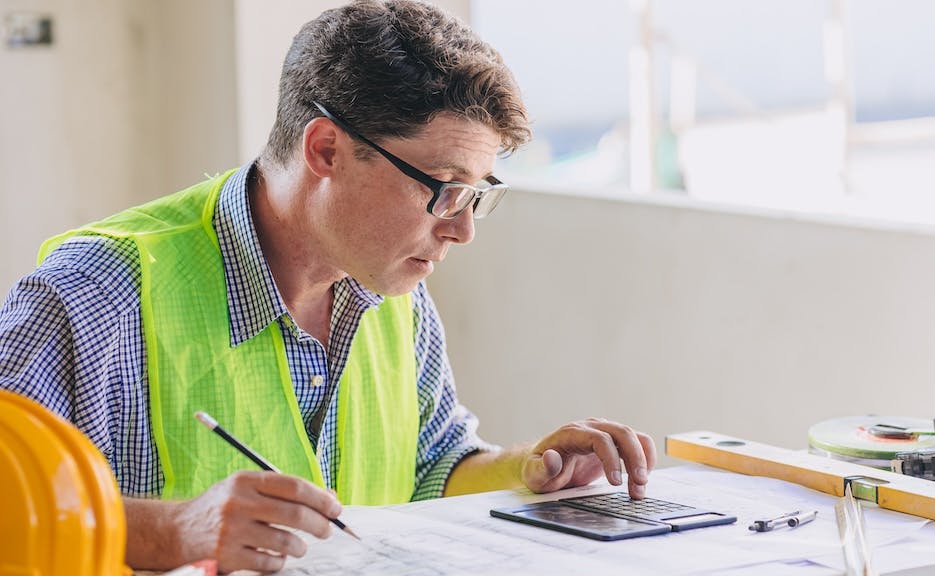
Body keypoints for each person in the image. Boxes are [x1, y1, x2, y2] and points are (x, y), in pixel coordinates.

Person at [0, 0, 656, 572]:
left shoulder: (393, 291)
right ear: (326, 151)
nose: (462, 231)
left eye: (477, 196)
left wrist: (529, 468)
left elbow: (430, 469)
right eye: (445, 189)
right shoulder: (92, 298)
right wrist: (175, 531)